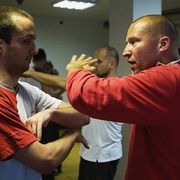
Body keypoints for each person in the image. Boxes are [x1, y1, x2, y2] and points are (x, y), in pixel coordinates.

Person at [65, 15, 180, 179]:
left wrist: (75, 70)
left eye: (134, 42)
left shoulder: (167, 78)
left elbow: (89, 94)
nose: (126, 51)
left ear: (163, 44)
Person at [0, 6, 90, 180]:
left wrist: (50, 113)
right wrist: (71, 135)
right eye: (27, 41)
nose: (35, 50)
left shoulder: (28, 91)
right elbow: (45, 160)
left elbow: (83, 116)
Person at [78, 46, 123, 180]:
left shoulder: (117, 87)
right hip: (88, 153)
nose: (94, 65)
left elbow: (66, 84)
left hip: (102, 157)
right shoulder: (96, 84)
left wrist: (32, 74)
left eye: (98, 61)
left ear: (112, 64)